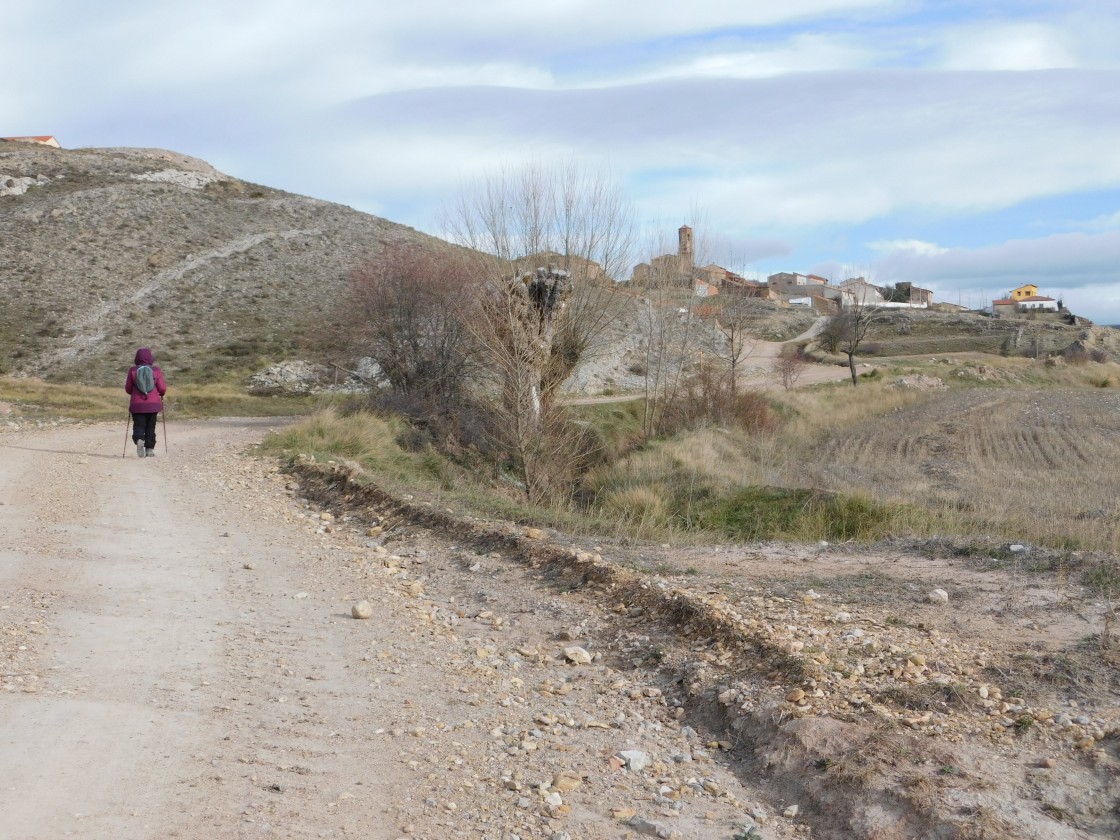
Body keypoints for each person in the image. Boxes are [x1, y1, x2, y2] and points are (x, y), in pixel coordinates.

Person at [125, 347, 167, 457]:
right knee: (150, 427)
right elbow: (162, 388)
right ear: (150, 358)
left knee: (138, 425)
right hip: (153, 405)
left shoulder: (132, 370)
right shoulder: (156, 370)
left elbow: (128, 389)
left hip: (137, 405)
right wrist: (161, 394)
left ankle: (139, 439)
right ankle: (149, 450)